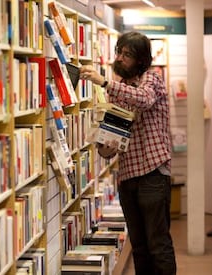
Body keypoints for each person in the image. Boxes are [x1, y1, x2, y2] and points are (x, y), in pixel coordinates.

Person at [79, 31, 177, 275]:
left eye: (127, 55)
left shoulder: (151, 80)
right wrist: (104, 145)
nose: (120, 58)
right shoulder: (118, 89)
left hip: (153, 174)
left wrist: (103, 82)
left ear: (141, 61)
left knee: (158, 245)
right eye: (119, 52)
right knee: (140, 247)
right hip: (127, 177)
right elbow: (110, 146)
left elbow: (143, 100)